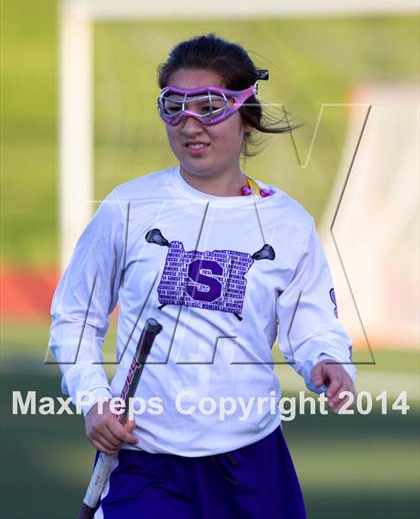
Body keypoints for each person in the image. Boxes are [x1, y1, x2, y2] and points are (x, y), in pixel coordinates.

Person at [49, 33, 356, 519]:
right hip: (146, 465)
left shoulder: (287, 222)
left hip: (253, 462)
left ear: (245, 114)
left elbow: (311, 321)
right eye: (174, 107)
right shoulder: (127, 207)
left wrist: (328, 360)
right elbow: (74, 317)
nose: (190, 124)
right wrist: (93, 400)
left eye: (209, 107)